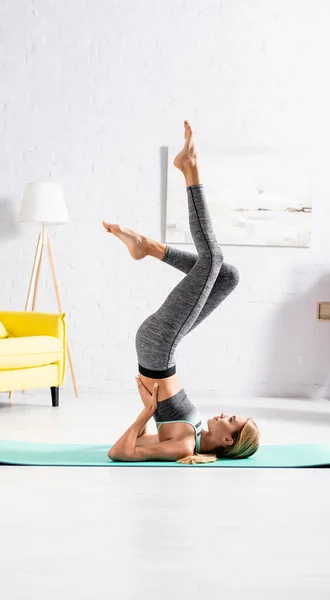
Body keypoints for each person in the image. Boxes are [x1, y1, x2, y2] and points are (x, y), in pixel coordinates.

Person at [102, 120, 260, 463]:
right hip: (159, 351)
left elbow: (118, 454)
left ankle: (190, 171)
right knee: (227, 275)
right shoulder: (193, 435)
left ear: (227, 440)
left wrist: (146, 411)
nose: (224, 415)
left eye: (230, 420)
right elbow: (140, 443)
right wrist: (148, 417)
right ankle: (148, 248)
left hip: (159, 349)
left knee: (213, 257)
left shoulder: (186, 447)